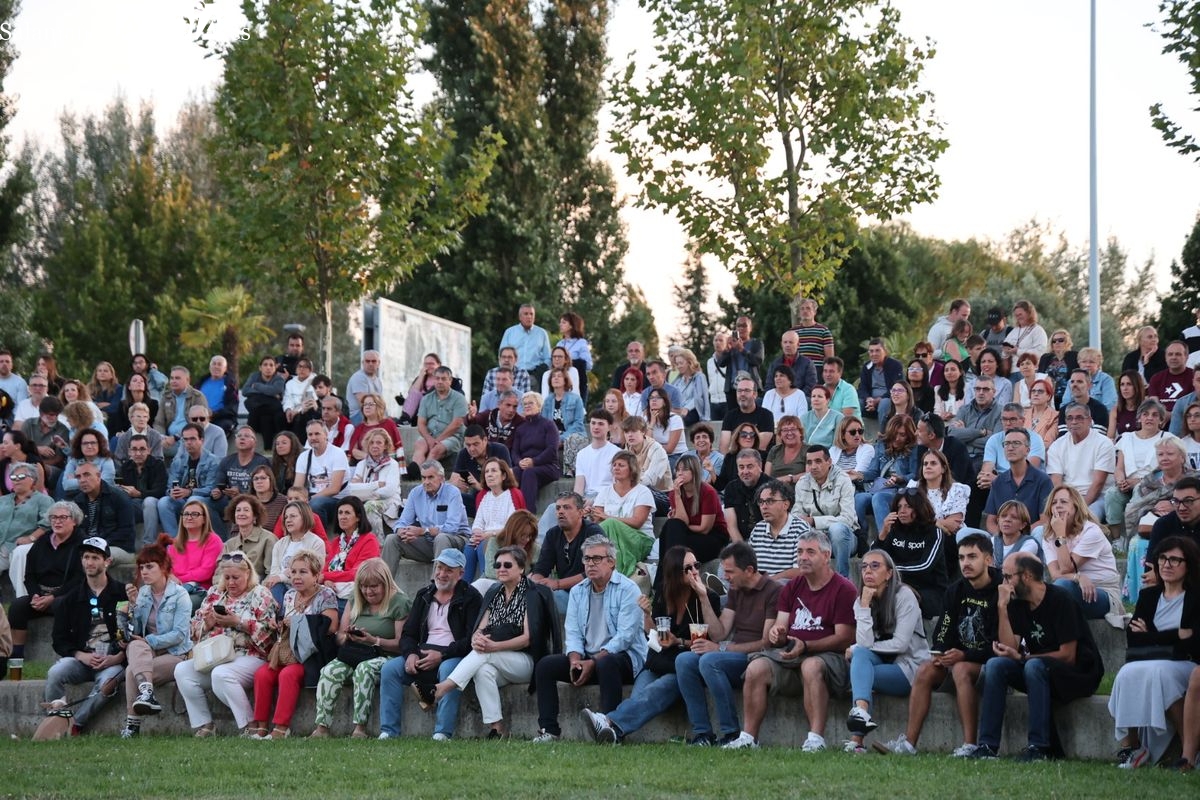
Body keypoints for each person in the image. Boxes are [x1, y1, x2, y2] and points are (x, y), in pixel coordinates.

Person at [723, 529, 857, 750]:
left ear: (826, 556)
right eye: (800, 552)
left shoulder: (844, 589)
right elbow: (781, 626)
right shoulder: (792, 587)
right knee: (756, 668)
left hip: (830, 659)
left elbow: (845, 638)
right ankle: (748, 738)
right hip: (792, 655)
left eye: (810, 552)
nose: (803, 557)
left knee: (811, 665)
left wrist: (806, 645)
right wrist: (777, 634)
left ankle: (815, 739)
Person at [581, 545, 723, 744]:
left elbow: (714, 639)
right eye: (688, 568)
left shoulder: (708, 597)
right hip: (659, 662)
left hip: (683, 668)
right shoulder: (665, 595)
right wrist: (647, 615)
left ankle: (607, 721)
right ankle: (613, 734)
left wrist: (702, 598)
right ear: (674, 572)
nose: (694, 572)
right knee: (638, 697)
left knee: (652, 695)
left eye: (696, 566)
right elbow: (653, 633)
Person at [970, 552, 1103, 761]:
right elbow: (1009, 647)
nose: (1004, 583)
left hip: (1078, 674)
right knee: (996, 665)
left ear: (1027, 576)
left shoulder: (1060, 600)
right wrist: (1002, 607)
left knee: (1034, 666)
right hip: (1039, 670)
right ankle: (987, 746)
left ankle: (1039, 747)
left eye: (1008, 577)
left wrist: (1023, 659)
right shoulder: (1017, 602)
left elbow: (1068, 655)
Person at [882, 533, 1001, 757]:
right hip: (959, 659)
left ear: (988, 560)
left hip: (993, 666)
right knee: (925, 669)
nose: (965, 563)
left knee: (961, 668)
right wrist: (941, 653)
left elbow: (999, 644)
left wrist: (963, 655)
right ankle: (909, 744)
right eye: (961, 558)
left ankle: (970, 745)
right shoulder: (955, 590)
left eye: (972, 557)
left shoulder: (1001, 589)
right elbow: (942, 631)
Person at [429, 545, 560, 738]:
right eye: (498, 565)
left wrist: (493, 646)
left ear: (521, 568)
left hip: (527, 662)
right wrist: (477, 640)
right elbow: (480, 628)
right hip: (499, 661)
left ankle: (442, 689)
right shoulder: (494, 592)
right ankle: (497, 728)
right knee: (483, 671)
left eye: (507, 565)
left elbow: (527, 639)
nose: (501, 569)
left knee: (485, 654)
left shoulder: (532, 594)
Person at [531, 535, 645, 742]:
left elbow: (624, 638)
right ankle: (549, 730)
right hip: (588, 659)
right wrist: (575, 661)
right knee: (545, 666)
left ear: (611, 562)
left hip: (624, 660)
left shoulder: (629, 589)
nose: (590, 564)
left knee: (607, 662)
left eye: (597, 559)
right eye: (587, 559)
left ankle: (611, 730)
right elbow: (573, 632)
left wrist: (592, 662)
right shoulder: (578, 591)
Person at [674, 541, 781, 746]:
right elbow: (719, 633)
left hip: (759, 658)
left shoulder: (774, 591)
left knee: (709, 661)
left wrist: (720, 648)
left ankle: (731, 733)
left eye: (730, 572)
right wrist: (703, 597)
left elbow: (766, 643)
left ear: (749, 570)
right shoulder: (736, 589)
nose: (725, 577)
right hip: (735, 654)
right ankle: (703, 734)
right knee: (684, 660)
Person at [1108, 536, 1200, 768]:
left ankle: (1189, 750)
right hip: (1151, 659)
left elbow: (1192, 641)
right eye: (1162, 558)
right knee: (1126, 673)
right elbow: (1134, 638)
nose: (1167, 564)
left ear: (1188, 564)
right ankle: (1132, 747)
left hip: (1185, 661)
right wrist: (1173, 635)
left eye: (1174, 560)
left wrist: (1151, 634)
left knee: (1161, 674)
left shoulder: (1195, 598)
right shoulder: (1149, 596)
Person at [377, 549, 482, 741]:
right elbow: (408, 634)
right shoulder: (424, 594)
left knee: (450, 670)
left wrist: (442, 655)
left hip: (452, 655)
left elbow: (471, 639)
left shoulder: (471, 597)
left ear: (461, 574)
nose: (442, 574)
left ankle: (442, 732)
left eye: (449, 570)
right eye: (439, 568)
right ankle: (389, 731)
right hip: (422, 653)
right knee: (389, 669)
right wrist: (410, 654)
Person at [174, 551, 280, 736]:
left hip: (250, 656)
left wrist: (238, 622)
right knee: (182, 670)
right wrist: (206, 625)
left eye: (236, 577)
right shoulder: (215, 593)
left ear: (248, 573)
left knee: (221, 673)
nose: (231, 582)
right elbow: (193, 628)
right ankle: (206, 725)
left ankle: (250, 726)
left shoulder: (260, 593)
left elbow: (269, 636)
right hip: (215, 656)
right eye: (227, 577)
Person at [310, 558, 410, 738]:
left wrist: (374, 640)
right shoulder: (355, 599)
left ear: (386, 583)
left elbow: (402, 644)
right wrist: (348, 636)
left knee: (364, 670)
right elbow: (339, 637)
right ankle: (322, 728)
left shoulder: (400, 602)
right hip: (355, 653)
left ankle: (360, 728)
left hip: (386, 656)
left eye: (374, 586)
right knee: (329, 671)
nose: (368, 591)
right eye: (363, 586)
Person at [843, 549, 930, 753]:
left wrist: (856, 648)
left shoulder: (904, 596)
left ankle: (857, 741)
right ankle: (861, 715)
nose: (868, 571)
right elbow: (864, 644)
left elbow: (900, 644)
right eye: (864, 566)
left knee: (860, 667)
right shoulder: (861, 601)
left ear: (889, 573)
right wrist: (865, 606)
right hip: (882, 663)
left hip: (909, 667)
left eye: (875, 566)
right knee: (861, 658)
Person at [248, 549, 338, 739]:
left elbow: (330, 627)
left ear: (316, 576)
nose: (296, 577)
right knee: (263, 674)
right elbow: (287, 623)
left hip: (311, 656)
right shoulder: (289, 595)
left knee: (288, 674)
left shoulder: (326, 594)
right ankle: (261, 727)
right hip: (288, 651)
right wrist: (278, 624)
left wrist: (298, 622)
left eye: (303, 572)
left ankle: (281, 728)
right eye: (293, 572)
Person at [40, 536, 126, 734]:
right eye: (86, 557)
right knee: (55, 673)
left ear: (107, 561)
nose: (89, 562)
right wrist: (80, 655)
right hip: (81, 660)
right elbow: (59, 640)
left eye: (95, 557)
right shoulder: (69, 599)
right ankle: (55, 721)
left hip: (113, 661)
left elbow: (134, 633)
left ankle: (75, 725)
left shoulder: (122, 594)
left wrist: (118, 657)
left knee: (108, 683)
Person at [119, 534, 195, 738]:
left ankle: (132, 726)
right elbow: (138, 630)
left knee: (131, 671)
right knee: (134, 646)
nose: (144, 571)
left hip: (176, 653)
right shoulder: (144, 592)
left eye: (149, 566)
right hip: (148, 652)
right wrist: (133, 605)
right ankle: (147, 693)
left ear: (163, 567)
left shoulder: (180, 595)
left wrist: (149, 640)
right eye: (141, 567)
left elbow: (179, 635)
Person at [1041, 485, 1122, 620]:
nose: (1058, 506)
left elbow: (1065, 568)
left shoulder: (1091, 531)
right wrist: (1078, 578)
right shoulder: (1049, 536)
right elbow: (1055, 574)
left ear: (1076, 507)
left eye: (1064, 502)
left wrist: (1060, 534)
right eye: (1054, 503)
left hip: (1103, 593)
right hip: (1075, 587)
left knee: (1061, 588)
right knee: (1051, 591)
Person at [382, 460, 470, 572]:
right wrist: (402, 531)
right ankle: (382, 581)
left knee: (441, 538)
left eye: (430, 477)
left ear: (442, 478)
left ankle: (436, 583)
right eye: (423, 478)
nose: (426, 482)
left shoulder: (453, 492)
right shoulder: (415, 493)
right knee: (392, 539)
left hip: (457, 540)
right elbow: (402, 521)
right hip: (429, 542)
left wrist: (423, 531)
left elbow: (452, 528)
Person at [874, 489, 949, 619]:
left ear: (919, 508)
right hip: (899, 586)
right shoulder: (893, 530)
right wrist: (883, 534)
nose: (902, 511)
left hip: (931, 591)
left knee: (900, 597)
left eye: (908, 506)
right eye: (899, 507)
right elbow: (874, 559)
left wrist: (890, 570)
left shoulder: (934, 532)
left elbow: (925, 566)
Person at [1105, 399, 1170, 537]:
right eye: (1145, 414)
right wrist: (1120, 481)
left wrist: (1138, 482)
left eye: (1154, 415)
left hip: (1154, 486)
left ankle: (1133, 537)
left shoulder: (1167, 439)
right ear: (1139, 418)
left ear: (1161, 420)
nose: (1149, 418)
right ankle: (1117, 540)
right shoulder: (1126, 438)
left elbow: (1166, 471)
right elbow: (1119, 468)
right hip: (1127, 484)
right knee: (1111, 494)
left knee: (1139, 489)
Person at [793, 445, 859, 578]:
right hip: (815, 538)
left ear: (829, 462)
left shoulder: (843, 479)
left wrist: (814, 521)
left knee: (837, 529)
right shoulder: (802, 482)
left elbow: (847, 519)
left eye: (818, 461)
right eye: (809, 462)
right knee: (796, 530)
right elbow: (797, 516)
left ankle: (842, 579)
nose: (813, 466)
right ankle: (802, 579)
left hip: (844, 539)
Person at [531, 492, 601, 615]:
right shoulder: (552, 534)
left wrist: (558, 584)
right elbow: (541, 568)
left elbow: (595, 571)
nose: (561, 512)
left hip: (591, 597)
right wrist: (536, 583)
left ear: (581, 512)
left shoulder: (593, 532)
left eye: (567, 507)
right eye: (558, 508)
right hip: (565, 593)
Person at [587, 451, 656, 575]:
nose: (616, 468)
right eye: (614, 465)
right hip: (609, 539)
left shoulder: (643, 491)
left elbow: (637, 522)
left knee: (610, 523)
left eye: (621, 465)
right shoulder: (605, 491)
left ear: (632, 469)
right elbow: (598, 521)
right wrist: (590, 514)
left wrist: (608, 517)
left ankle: (614, 572)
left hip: (641, 539)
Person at [658, 453, 730, 571]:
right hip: (689, 535)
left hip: (713, 537)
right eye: (678, 470)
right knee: (670, 527)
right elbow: (682, 522)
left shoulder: (708, 492)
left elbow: (704, 528)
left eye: (685, 469)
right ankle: (670, 574)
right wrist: (677, 496)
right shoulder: (675, 493)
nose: (680, 473)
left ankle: (667, 576)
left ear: (694, 471)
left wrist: (680, 528)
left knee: (674, 538)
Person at [1047, 402, 1116, 521]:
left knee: (1087, 520)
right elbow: (1056, 482)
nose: (1074, 422)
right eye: (1070, 418)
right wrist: (1064, 503)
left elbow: (1098, 484)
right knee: (1048, 524)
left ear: (1089, 420)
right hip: (1067, 497)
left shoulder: (1104, 443)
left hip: (1097, 497)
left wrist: (1078, 509)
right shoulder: (1057, 445)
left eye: (1079, 418)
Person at [855, 415, 919, 534]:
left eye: (902, 435)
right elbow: (873, 472)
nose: (897, 438)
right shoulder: (881, 444)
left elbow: (914, 475)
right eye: (894, 434)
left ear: (909, 436)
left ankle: (885, 538)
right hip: (880, 487)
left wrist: (900, 478)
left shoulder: (913, 448)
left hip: (899, 490)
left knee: (879, 498)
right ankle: (861, 535)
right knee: (859, 498)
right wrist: (858, 475)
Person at [465, 458, 525, 582]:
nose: (489, 474)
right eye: (486, 472)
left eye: (493, 471)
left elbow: (513, 526)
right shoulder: (483, 495)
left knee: (485, 545)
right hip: (484, 537)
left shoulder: (513, 494)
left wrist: (489, 534)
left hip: (506, 537)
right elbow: (478, 522)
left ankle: (488, 581)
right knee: (469, 548)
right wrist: (477, 533)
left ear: (503, 476)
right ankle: (464, 588)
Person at [68, 461, 135, 569]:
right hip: (88, 546)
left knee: (96, 558)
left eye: (87, 475)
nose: (82, 480)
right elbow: (76, 531)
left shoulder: (118, 497)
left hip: (118, 547)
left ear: (98, 476)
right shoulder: (77, 501)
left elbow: (126, 531)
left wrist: (98, 543)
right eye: (78, 477)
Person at [0, 462, 53, 597]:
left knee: (21, 553)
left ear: (33, 480)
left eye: (22, 476)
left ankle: (22, 600)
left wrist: (31, 537)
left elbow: (48, 523)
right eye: (13, 477)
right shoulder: (3, 500)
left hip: (24, 545)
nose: (16, 480)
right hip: (2, 545)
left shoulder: (43, 500)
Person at [157, 423, 220, 536]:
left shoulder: (213, 461)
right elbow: (170, 486)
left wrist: (190, 492)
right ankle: (174, 541)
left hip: (205, 501)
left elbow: (211, 488)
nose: (189, 443)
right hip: (183, 500)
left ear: (201, 440)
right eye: (185, 439)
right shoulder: (178, 461)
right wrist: (172, 492)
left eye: (192, 439)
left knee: (193, 500)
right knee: (163, 502)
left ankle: (195, 539)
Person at [322, 496, 383, 603]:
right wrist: (326, 580)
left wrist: (325, 577)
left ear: (358, 517)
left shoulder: (369, 540)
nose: (342, 517)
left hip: (357, 595)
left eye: (347, 513)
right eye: (340, 513)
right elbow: (325, 569)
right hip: (333, 592)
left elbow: (358, 573)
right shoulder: (336, 542)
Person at [268, 500, 328, 607]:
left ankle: (283, 615)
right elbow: (274, 574)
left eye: (293, 516)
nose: (288, 520)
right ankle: (278, 615)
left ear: (305, 517)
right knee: (274, 586)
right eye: (286, 517)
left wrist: (282, 577)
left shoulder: (316, 543)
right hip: (281, 588)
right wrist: (282, 577)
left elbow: (313, 575)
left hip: (304, 589)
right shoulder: (279, 544)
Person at [747, 480, 809, 582]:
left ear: (786, 504)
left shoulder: (800, 529)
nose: (764, 507)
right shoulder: (758, 528)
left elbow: (800, 570)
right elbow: (747, 564)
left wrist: (766, 583)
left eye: (770, 501)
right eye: (761, 502)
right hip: (758, 585)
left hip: (787, 587)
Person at [343, 428, 401, 534]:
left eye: (379, 443)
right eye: (371, 443)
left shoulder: (392, 464)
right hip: (367, 500)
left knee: (370, 506)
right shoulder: (362, 464)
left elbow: (389, 491)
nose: (374, 446)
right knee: (347, 506)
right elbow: (352, 490)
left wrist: (364, 491)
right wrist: (377, 484)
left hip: (389, 502)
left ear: (385, 445)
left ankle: (377, 542)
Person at [509, 392, 560, 513]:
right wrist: (519, 462)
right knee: (512, 473)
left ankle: (527, 513)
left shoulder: (548, 425)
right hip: (525, 466)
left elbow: (552, 450)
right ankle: (510, 512)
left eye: (530, 403)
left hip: (548, 466)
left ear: (539, 405)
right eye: (525, 404)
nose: (527, 406)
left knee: (529, 473)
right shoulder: (521, 429)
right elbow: (514, 452)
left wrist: (534, 461)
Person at [173, 498, 224, 610]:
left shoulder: (213, 540)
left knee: (179, 604)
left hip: (200, 590)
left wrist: (178, 579)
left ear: (204, 519)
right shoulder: (174, 543)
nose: (189, 517)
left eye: (195, 514)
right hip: (175, 588)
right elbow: (167, 570)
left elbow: (205, 573)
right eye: (186, 514)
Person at [294, 419, 348, 525]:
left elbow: (334, 489)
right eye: (310, 434)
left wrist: (308, 499)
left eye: (317, 434)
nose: (313, 438)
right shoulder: (304, 456)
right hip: (311, 498)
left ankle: (320, 534)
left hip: (337, 500)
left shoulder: (338, 453)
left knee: (315, 504)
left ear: (326, 435)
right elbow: (297, 487)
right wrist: (296, 499)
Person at [946, 376, 1003, 471]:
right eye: (977, 389)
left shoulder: (1001, 412)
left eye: (985, 389)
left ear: (994, 392)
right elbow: (953, 435)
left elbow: (995, 442)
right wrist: (981, 432)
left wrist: (965, 435)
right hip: (961, 454)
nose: (981, 393)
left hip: (984, 457)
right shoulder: (964, 410)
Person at [221, 494, 275, 581]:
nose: (241, 513)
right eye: (238, 510)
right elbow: (219, 573)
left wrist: (259, 588)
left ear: (255, 516)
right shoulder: (229, 544)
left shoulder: (268, 539)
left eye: (246, 510)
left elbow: (271, 573)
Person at [544, 366, 587, 473]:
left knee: (572, 439)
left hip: (572, 434)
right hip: (554, 436)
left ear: (565, 380)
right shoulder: (548, 400)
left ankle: (570, 470)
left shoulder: (576, 399)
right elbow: (544, 423)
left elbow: (578, 423)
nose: (556, 378)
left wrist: (562, 438)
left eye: (559, 376)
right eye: (553, 376)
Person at [722, 448, 770, 543]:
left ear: (760, 466)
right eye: (741, 467)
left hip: (767, 540)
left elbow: (775, 524)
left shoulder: (772, 487)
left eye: (750, 467)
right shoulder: (731, 488)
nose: (745, 471)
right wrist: (743, 549)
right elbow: (732, 526)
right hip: (740, 541)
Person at [716, 316, 765, 407]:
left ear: (750, 328)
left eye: (744, 326)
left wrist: (742, 350)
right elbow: (721, 363)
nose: (741, 328)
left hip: (751, 388)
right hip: (732, 390)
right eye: (738, 326)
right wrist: (727, 350)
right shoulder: (731, 345)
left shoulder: (756, 343)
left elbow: (758, 361)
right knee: (734, 415)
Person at [1146, 476, 1200, 558]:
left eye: (1188, 501)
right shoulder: (1164, 525)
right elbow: (1151, 564)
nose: (1181, 508)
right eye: (1176, 501)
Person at [499, 304, 552, 383]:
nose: (529, 316)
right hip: (513, 376)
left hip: (534, 377)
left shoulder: (542, 333)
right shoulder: (510, 332)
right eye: (526, 314)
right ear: (520, 317)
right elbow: (502, 355)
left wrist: (539, 373)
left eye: (531, 314)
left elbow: (548, 358)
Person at [721, 375, 775, 452]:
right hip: (734, 457)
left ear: (755, 394)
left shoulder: (766, 415)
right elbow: (724, 447)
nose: (742, 394)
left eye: (746, 390)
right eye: (739, 391)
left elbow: (760, 446)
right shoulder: (729, 416)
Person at [241, 356, 286, 450]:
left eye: (271, 365)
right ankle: (266, 449)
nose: (268, 367)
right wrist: (270, 394)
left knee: (259, 413)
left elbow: (275, 390)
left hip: (272, 411)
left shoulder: (279, 379)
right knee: (264, 417)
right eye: (265, 365)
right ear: (260, 367)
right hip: (261, 410)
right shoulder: (254, 376)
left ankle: (251, 447)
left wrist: (257, 386)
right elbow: (245, 391)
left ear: (275, 367)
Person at [347, 392, 402, 463]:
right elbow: (354, 451)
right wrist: (371, 458)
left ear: (379, 406)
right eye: (365, 404)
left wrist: (381, 460)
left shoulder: (389, 424)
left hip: (387, 463)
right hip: (365, 464)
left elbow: (397, 448)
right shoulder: (359, 428)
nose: (367, 407)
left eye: (371, 404)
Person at [857, 339, 904, 419]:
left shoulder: (895, 365)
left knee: (884, 403)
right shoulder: (867, 367)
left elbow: (896, 387)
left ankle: (883, 427)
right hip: (871, 400)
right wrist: (868, 399)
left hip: (888, 398)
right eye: (871, 351)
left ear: (885, 352)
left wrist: (878, 400)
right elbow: (862, 387)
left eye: (877, 351)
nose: (874, 354)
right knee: (857, 402)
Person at [60, 427, 116, 494]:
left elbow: (105, 483)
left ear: (99, 444)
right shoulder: (73, 461)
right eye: (85, 443)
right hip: (77, 496)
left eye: (93, 443)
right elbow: (66, 485)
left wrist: (76, 480)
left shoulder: (107, 461)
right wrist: (93, 479)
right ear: (79, 445)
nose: (89, 446)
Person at [766, 330, 818, 400]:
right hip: (778, 400)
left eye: (791, 342)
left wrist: (793, 398)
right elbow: (769, 386)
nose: (787, 345)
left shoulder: (807, 364)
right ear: (781, 344)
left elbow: (811, 386)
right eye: (785, 342)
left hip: (800, 400)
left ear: (798, 345)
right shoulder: (775, 364)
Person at [1147, 341, 1194, 416]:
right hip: (1161, 419)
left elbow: (1195, 406)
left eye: (1178, 354)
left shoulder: (1195, 377)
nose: (1173, 357)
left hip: (1187, 419)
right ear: (1165, 357)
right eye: (1170, 354)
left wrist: (1172, 415)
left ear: (1186, 357)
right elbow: (1154, 405)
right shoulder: (1156, 378)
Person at [715, 422, 761, 492]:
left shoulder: (762, 455)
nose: (748, 437)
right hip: (734, 495)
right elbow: (722, 484)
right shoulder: (730, 457)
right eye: (744, 434)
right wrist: (711, 471)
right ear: (737, 437)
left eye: (752, 434)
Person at [109, 373, 158, 438]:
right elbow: (119, 426)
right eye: (135, 381)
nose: (139, 382)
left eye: (142, 381)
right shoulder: (123, 405)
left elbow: (154, 425)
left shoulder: (153, 404)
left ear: (145, 386)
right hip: (127, 437)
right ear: (129, 386)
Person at [762, 364, 809, 430]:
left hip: (792, 431)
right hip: (771, 430)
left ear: (790, 380)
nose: (778, 378)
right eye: (776, 376)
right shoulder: (769, 394)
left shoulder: (799, 394)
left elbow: (802, 419)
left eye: (781, 375)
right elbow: (764, 417)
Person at [670, 347, 710, 424]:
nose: (679, 366)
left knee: (679, 421)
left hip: (694, 411)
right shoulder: (678, 381)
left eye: (681, 363)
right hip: (681, 412)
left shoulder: (699, 377)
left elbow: (698, 398)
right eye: (677, 364)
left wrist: (687, 408)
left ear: (689, 362)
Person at [345, 350, 384, 424]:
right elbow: (365, 403)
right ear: (363, 363)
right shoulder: (359, 377)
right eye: (367, 361)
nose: (370, 364)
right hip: (358, 416)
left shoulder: (377, 380)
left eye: (373, 361)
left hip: (372, 413)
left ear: (379, 363)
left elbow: (381, 402)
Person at [1024, 376, 1058, 451]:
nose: (1036, 394)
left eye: (1040, 391)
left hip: (1041, 454)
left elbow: (1047, 443)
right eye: (1033, 391)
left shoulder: (1055, 416)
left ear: (1049, 396)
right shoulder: (1023, 414)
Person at [250, 464, 288, 532]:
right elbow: (235, 530)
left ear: (271, 480)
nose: (259, 481)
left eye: (263, 478)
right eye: (256, 479)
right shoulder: (246, 501)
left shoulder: (283, 501)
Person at [800, 385, 839, 449]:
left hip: (829, 452)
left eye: (820, 396)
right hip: (808, 452)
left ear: (827, 400)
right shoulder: (804, 417)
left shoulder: (838, 417)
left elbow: (837, 442)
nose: (816, 399)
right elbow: (802, 440)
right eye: (813, 396)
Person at [706, 332, 730, 422]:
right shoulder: (710, 362)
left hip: (726, 400)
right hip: (713, 401)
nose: (718, 343)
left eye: (721, 340)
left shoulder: (730, 359)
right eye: (716, 340)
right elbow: (710, 380)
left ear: (726, 343)